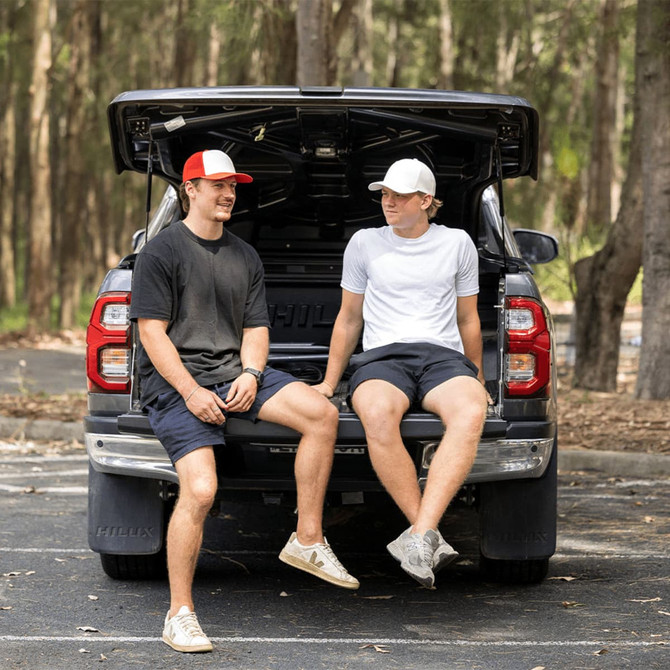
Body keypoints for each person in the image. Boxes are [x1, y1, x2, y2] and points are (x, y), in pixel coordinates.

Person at [130, 149, 358, 654]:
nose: (229, 193)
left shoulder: (244, 254)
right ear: (191, 189)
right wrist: (190, 391)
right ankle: (180, 614)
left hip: (234, 374)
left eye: (233, 185)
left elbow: (256, 328)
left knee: (322, 414)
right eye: (218, 184)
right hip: (177, 385)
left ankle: (307, 538)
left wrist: (253, 374)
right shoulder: (161, 252)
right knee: (203, 490)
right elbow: (152, 333)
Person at [313, 158, 488, 589]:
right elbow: (349, 319)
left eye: (398, 195)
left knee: (470, 411)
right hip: (382, 359)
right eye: (384, 194)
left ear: (426, 201)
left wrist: (479, 379)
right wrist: (330, 383)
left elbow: (468, 319)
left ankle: (417, 534)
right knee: (375, 413)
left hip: (441, 358)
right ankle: (424, 532)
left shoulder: (458, 243)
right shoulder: (364, 243)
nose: (387, 202)